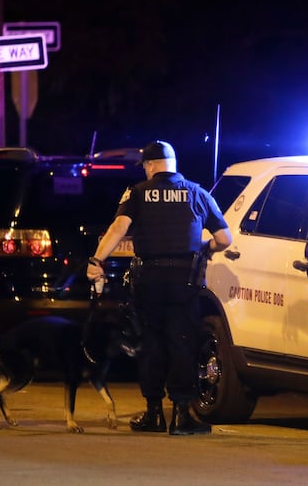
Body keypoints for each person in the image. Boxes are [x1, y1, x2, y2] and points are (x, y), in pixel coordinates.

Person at [86, 140, 232, 435]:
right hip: (184, 282)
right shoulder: (197, 192)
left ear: (150, 166)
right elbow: (225, 239)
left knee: (151, 344)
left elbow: (118, 228)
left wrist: (97, 260)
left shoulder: (137, 193)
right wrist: (206, 247)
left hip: (148, 281)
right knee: (182, 343)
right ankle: (181, 415)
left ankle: (153, 414)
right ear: (173, 163)